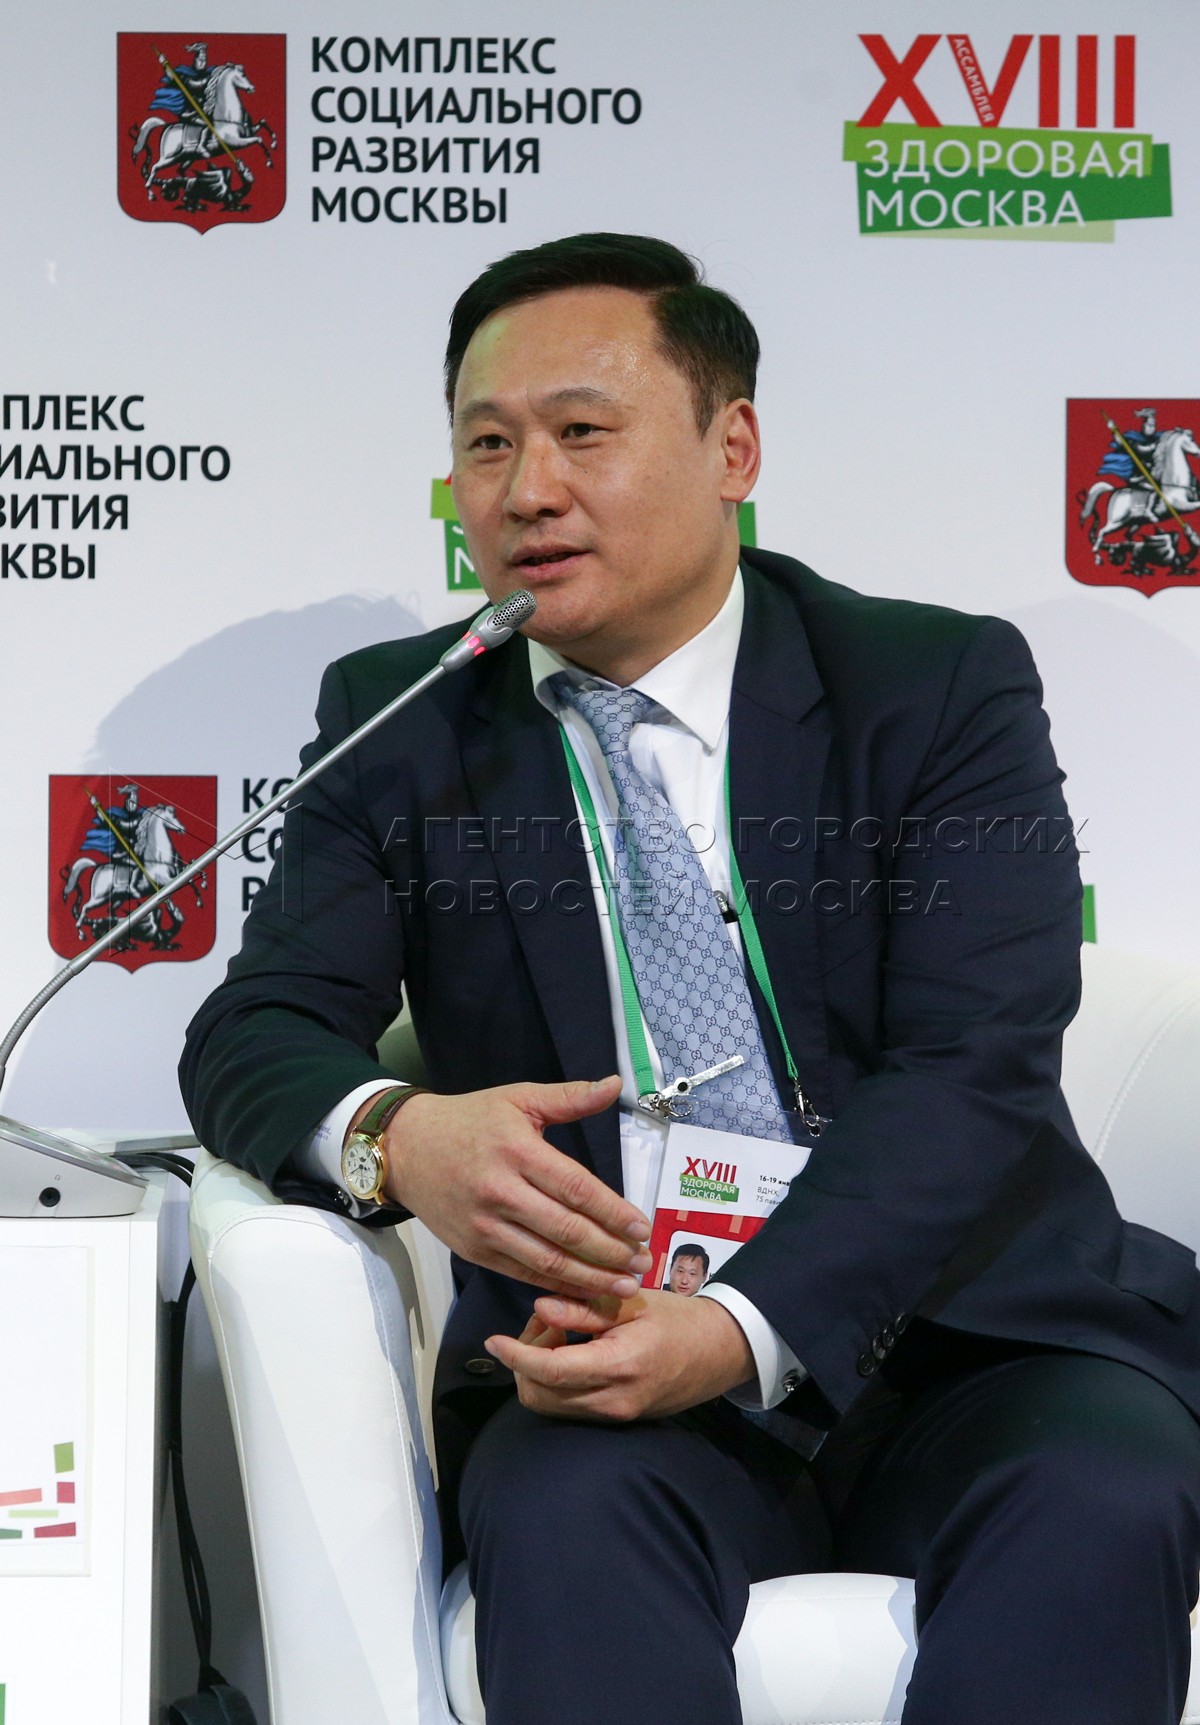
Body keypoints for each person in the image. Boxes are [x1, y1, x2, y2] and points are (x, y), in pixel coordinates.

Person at [180, 232, 1200, 1725]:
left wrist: (736, 1326)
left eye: (583, 432)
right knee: (563, 1521)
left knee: (1105, 1493)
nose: (527, 490)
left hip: (970, 1338)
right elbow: (253, 1028)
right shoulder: (405, 719)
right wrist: (402, 1134)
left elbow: (972, 1068)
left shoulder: (931, 687)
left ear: (735, 449)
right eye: (487, 445)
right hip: (599, 1349)